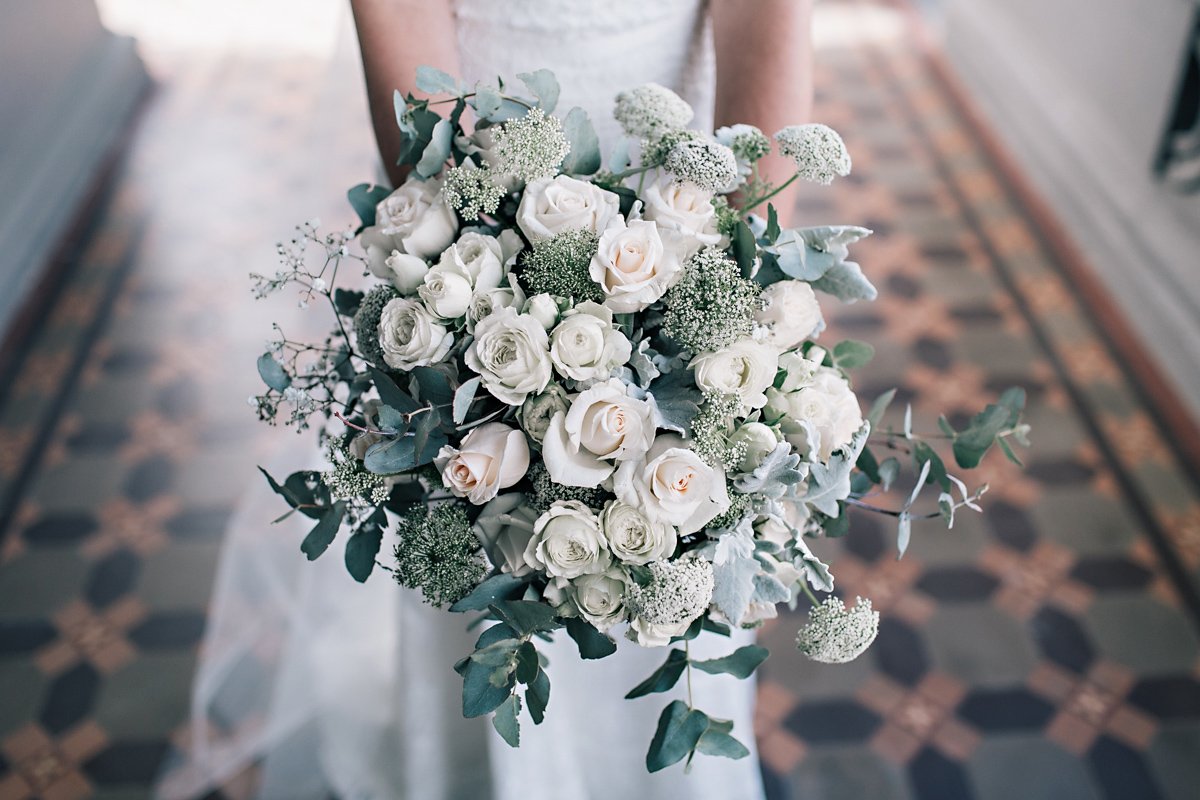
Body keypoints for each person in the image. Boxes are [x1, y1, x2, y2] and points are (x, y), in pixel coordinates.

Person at [164, 2, 814, 798]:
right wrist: (490, 290)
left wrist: (729, 272)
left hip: (688, 197)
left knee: (675, 547)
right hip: (476, 219)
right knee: (485, 548)